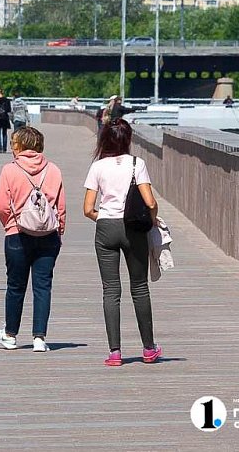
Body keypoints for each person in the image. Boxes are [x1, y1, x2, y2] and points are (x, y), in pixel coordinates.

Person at [83, 118, 162, 367]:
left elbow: (87, 209)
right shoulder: (137, 164)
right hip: (132, 230)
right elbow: (150, 202)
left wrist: (104, 217)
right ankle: (149, 349)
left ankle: (115, 353)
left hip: (105, 228)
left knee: (110, 290)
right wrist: (151, 220)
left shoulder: (97, 167)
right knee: (139, 288)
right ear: (128, 139)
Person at [0, 127, 66, 353]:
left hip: (17, 234)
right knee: (43, 287)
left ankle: (10, 335)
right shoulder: (53, 170)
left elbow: (2, 206)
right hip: (48, 235)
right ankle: (39, 339)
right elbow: (60, 207)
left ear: (20, 145)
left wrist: (10, 225)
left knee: (15, 286)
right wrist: (59, 231)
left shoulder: (9, 170)